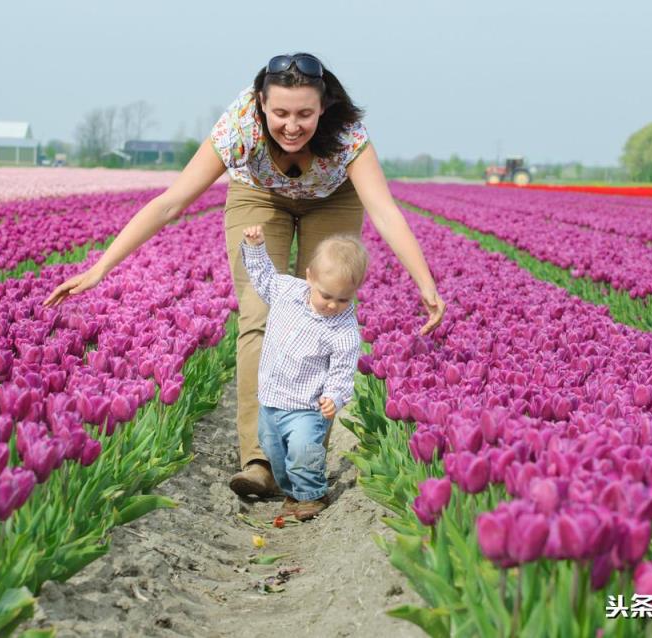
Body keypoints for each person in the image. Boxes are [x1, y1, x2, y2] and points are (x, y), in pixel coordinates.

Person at [43, 52, 446, 499]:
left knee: (324, 315)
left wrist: (425, 283)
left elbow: (385, 213)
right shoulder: (240, 128)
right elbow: (170, 203)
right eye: (280, 113)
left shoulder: (348, 136)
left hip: (332, 199)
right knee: (259, 315)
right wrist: (101, 267)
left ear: (323, 108)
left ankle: (304, 460)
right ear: (261, 103)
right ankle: (259, 460)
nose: (292, 125)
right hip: (259, 197)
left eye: (305, 114)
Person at [240, 224, 365, 520]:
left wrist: (334, 395)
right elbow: (264, 278)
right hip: (271, 398)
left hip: (307, 407)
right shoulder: (287, 291)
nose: (333, 305)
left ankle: (312, 494)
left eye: (344, 299)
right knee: (275, 451)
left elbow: (342, 370)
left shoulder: (344, 330)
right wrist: (256, 248)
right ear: (309, 277)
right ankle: (291, 492)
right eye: (327, 295)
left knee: (303, 450)